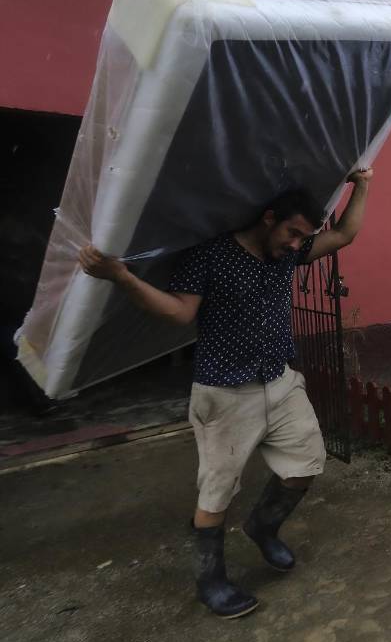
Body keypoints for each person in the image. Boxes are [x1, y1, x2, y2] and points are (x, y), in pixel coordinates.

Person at [78, 169, 372, 618]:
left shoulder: (288, 256)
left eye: (303, 237)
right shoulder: (211, 255)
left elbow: (346, 233)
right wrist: (120, 276)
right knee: (216, 491)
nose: (297, 244)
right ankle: (211, 581)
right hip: (225, 391)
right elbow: (179, 313)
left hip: (280, 380)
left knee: (306, 463)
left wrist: (363, 182)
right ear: (269, 218)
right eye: (292, 232)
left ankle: (263, 527)